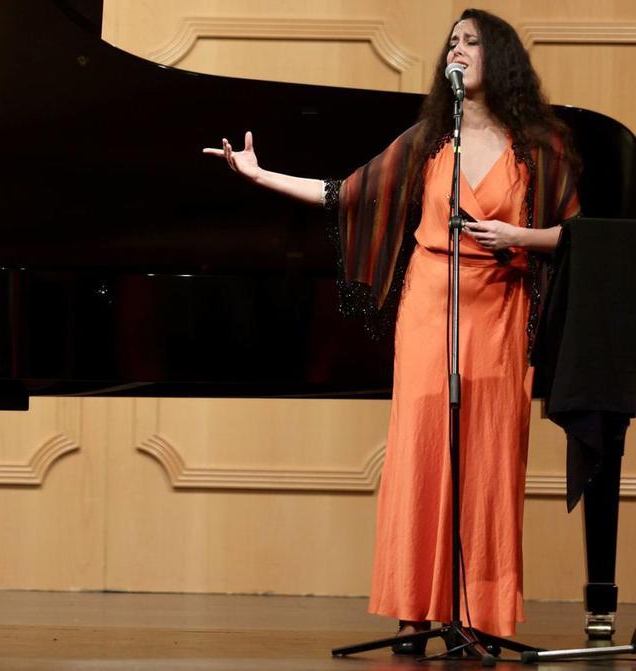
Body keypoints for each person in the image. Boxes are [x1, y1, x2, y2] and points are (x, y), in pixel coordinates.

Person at [205, 9, 579, 646]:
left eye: (471, 42)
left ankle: (477, 616)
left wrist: (519, 235)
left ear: (502, 58)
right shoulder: (431, 138)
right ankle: (415, 607)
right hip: (430, 303)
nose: (456, 51)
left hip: (500, 309)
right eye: (452, 42)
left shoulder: (542, 147)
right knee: (424, 451)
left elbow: (578, 235)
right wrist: (258, 174)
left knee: (488, 457)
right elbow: (345, 194)